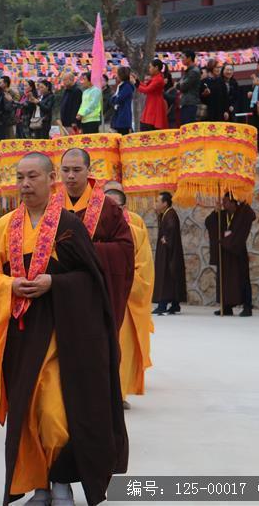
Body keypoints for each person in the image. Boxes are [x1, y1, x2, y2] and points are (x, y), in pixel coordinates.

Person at [0, 152, 127, 506]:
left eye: (33, 177)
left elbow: (92, 282)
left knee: (56, 411)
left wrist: (54, 285)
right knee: (26, 411)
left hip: (63, 333)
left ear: (50, 180)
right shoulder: (3, 226)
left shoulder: (69, 227)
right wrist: (8, 286)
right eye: (20, 178)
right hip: (21, 330)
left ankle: (62, 481)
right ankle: (41, 486)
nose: (25, 185)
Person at [58, 148, 135, 331]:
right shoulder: (51, 206)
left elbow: (125, 248)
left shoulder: (107, 207)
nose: (70, 176)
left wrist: (89, 250)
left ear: (88, 171)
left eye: (77, 170)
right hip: (57, 289)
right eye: (65, 170)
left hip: (95, 288)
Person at [104, 186, 154, 409]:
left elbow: (143, 270)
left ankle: (120, 393)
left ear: (124, 208)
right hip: (97, 298)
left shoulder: (136, 231)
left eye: (116, 206)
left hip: (123, 297)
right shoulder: (90, 228)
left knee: (122, 345)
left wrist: (121, 286)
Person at [205, 193, 256, 317]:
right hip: (225, 253)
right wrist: (215, 212)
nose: (223, 204)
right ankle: (227, 306)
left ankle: (247, 307)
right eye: (223, 201)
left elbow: (251, 216)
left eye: (226, 201)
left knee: (242, 279)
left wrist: (224, 241)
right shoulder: (223, 214)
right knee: (225, 280)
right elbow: (209, 223)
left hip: (237, 252)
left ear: (234, 202)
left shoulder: (242, 213)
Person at [152, 192, 186, 315]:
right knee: (171, 277)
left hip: (169, 253)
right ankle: (175, 304)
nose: (156, 203)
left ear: (165, 203)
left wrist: (166, 238)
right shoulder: (166, 213)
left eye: (158, 201)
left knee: (166, 276)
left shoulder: (170, 214)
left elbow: (171, 227)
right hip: (168, 252)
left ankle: (163, 304)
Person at [137, 60, 168, 131]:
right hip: (152, 103)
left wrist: (136, 84)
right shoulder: (156, 78)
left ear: (156, 68)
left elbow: (147, 90)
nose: (149, 69)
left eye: (150, 67)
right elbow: (146, 86)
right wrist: (137, 82)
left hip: (155, 104)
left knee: (150, 126)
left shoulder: (158, 79)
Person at [178, 50, 201, 125]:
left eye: (183, 57)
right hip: (187, 102)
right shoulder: (189, 71)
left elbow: (183, 86)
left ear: (189, 58)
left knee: (188, 126)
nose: (182, 60)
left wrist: (178, 84)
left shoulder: (194, 71)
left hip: (190, 103)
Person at [110, 67, 134, 135]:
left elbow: (118, 99)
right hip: (118, 115)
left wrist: (114, 98)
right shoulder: (119, 84)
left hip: (123, 116)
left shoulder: (127, 86)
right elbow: (109, 83)